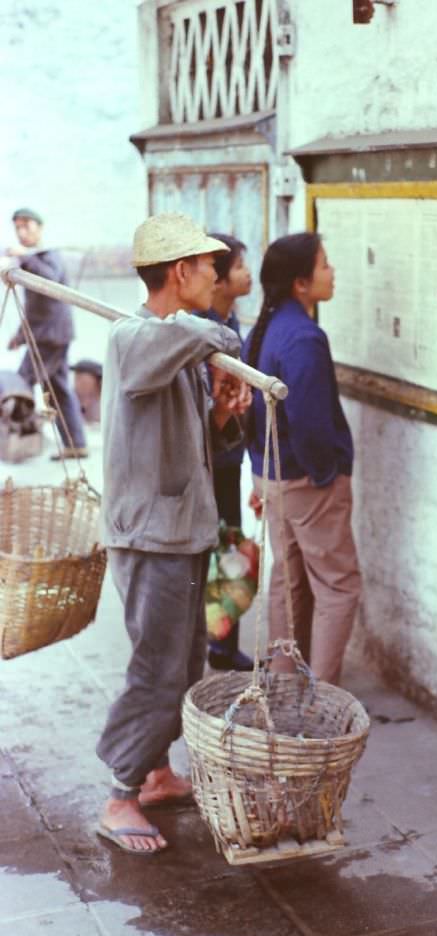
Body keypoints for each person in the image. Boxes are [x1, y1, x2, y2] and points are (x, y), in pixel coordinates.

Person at [96, 212, 251, 855]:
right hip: (150, 535)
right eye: (211, 267)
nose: (218, 278)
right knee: (156, 668)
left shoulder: (179, 346)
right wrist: (221, 349)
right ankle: (120, 792)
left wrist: (219, 412)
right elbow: (220, 335)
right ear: (180, 272)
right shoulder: (137, 338)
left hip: (185, 529)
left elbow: (195, 444)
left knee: (185, 664)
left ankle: (156, 771)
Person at [243, 232, 362, 686]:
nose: (332, 273)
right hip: (305, 482)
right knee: (338, 586)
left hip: (272, 477)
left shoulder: (265, 329)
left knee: (287, 580)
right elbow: (310, 422)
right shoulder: (304, 338)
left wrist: (264, 472)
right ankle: (325, 694)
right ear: (300, 283)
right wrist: (326, 473)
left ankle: (285, 683)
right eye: (325, 264)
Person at [199, 232, 254, 671]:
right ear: (216, 280)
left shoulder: (233, 324)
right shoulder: (201, 332)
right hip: (205, 462)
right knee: (207, 554)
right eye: (239, 267)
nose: (247, 274)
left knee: (229, 550)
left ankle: (222, 641)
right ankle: (205, 640)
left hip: (230, 460)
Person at [6, 207, 87, 460]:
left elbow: (50, 281)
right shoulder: (32, 258)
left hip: (50, 336)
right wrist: (19, 335)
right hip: (46, 334)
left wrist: (24, 258)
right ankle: (76, 444)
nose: (21, 232)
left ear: (39, 228)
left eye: (26, 226)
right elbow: (34, 307)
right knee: (60, 390)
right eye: (17, 227)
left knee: (18, 383)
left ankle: (21, 442)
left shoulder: (47, 255)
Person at [70, 358, 102, 425]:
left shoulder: (107, 404)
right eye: (76, 378)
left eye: (80, 378)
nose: (76, 384)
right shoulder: (71, 403)